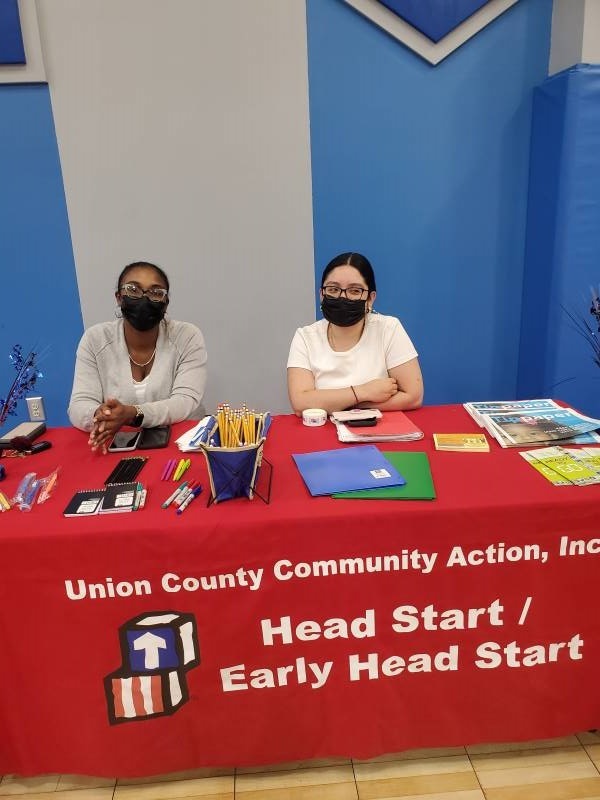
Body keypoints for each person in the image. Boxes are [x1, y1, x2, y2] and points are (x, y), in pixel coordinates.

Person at [68, 261, 207, 451]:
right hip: (116, 444)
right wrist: (101, 414)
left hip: (181, 442)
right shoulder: (95, 339)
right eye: (133, 290)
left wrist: (132, 414)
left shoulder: (186, 336)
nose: (144, 298)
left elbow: (185, 402)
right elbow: (79, 404)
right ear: (119, 297)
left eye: (156, 292)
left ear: (166, 303)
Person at [287, 252, 423, 415]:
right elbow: (300, 403)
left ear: (370, 299)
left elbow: (413, 396)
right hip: (321, 434)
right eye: (333, 289)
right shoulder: (305, 337)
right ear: (321, 295)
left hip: (378, 433)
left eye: (354, 290)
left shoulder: (388, 329)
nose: (342, 297)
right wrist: (363, 392)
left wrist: (349, 406)